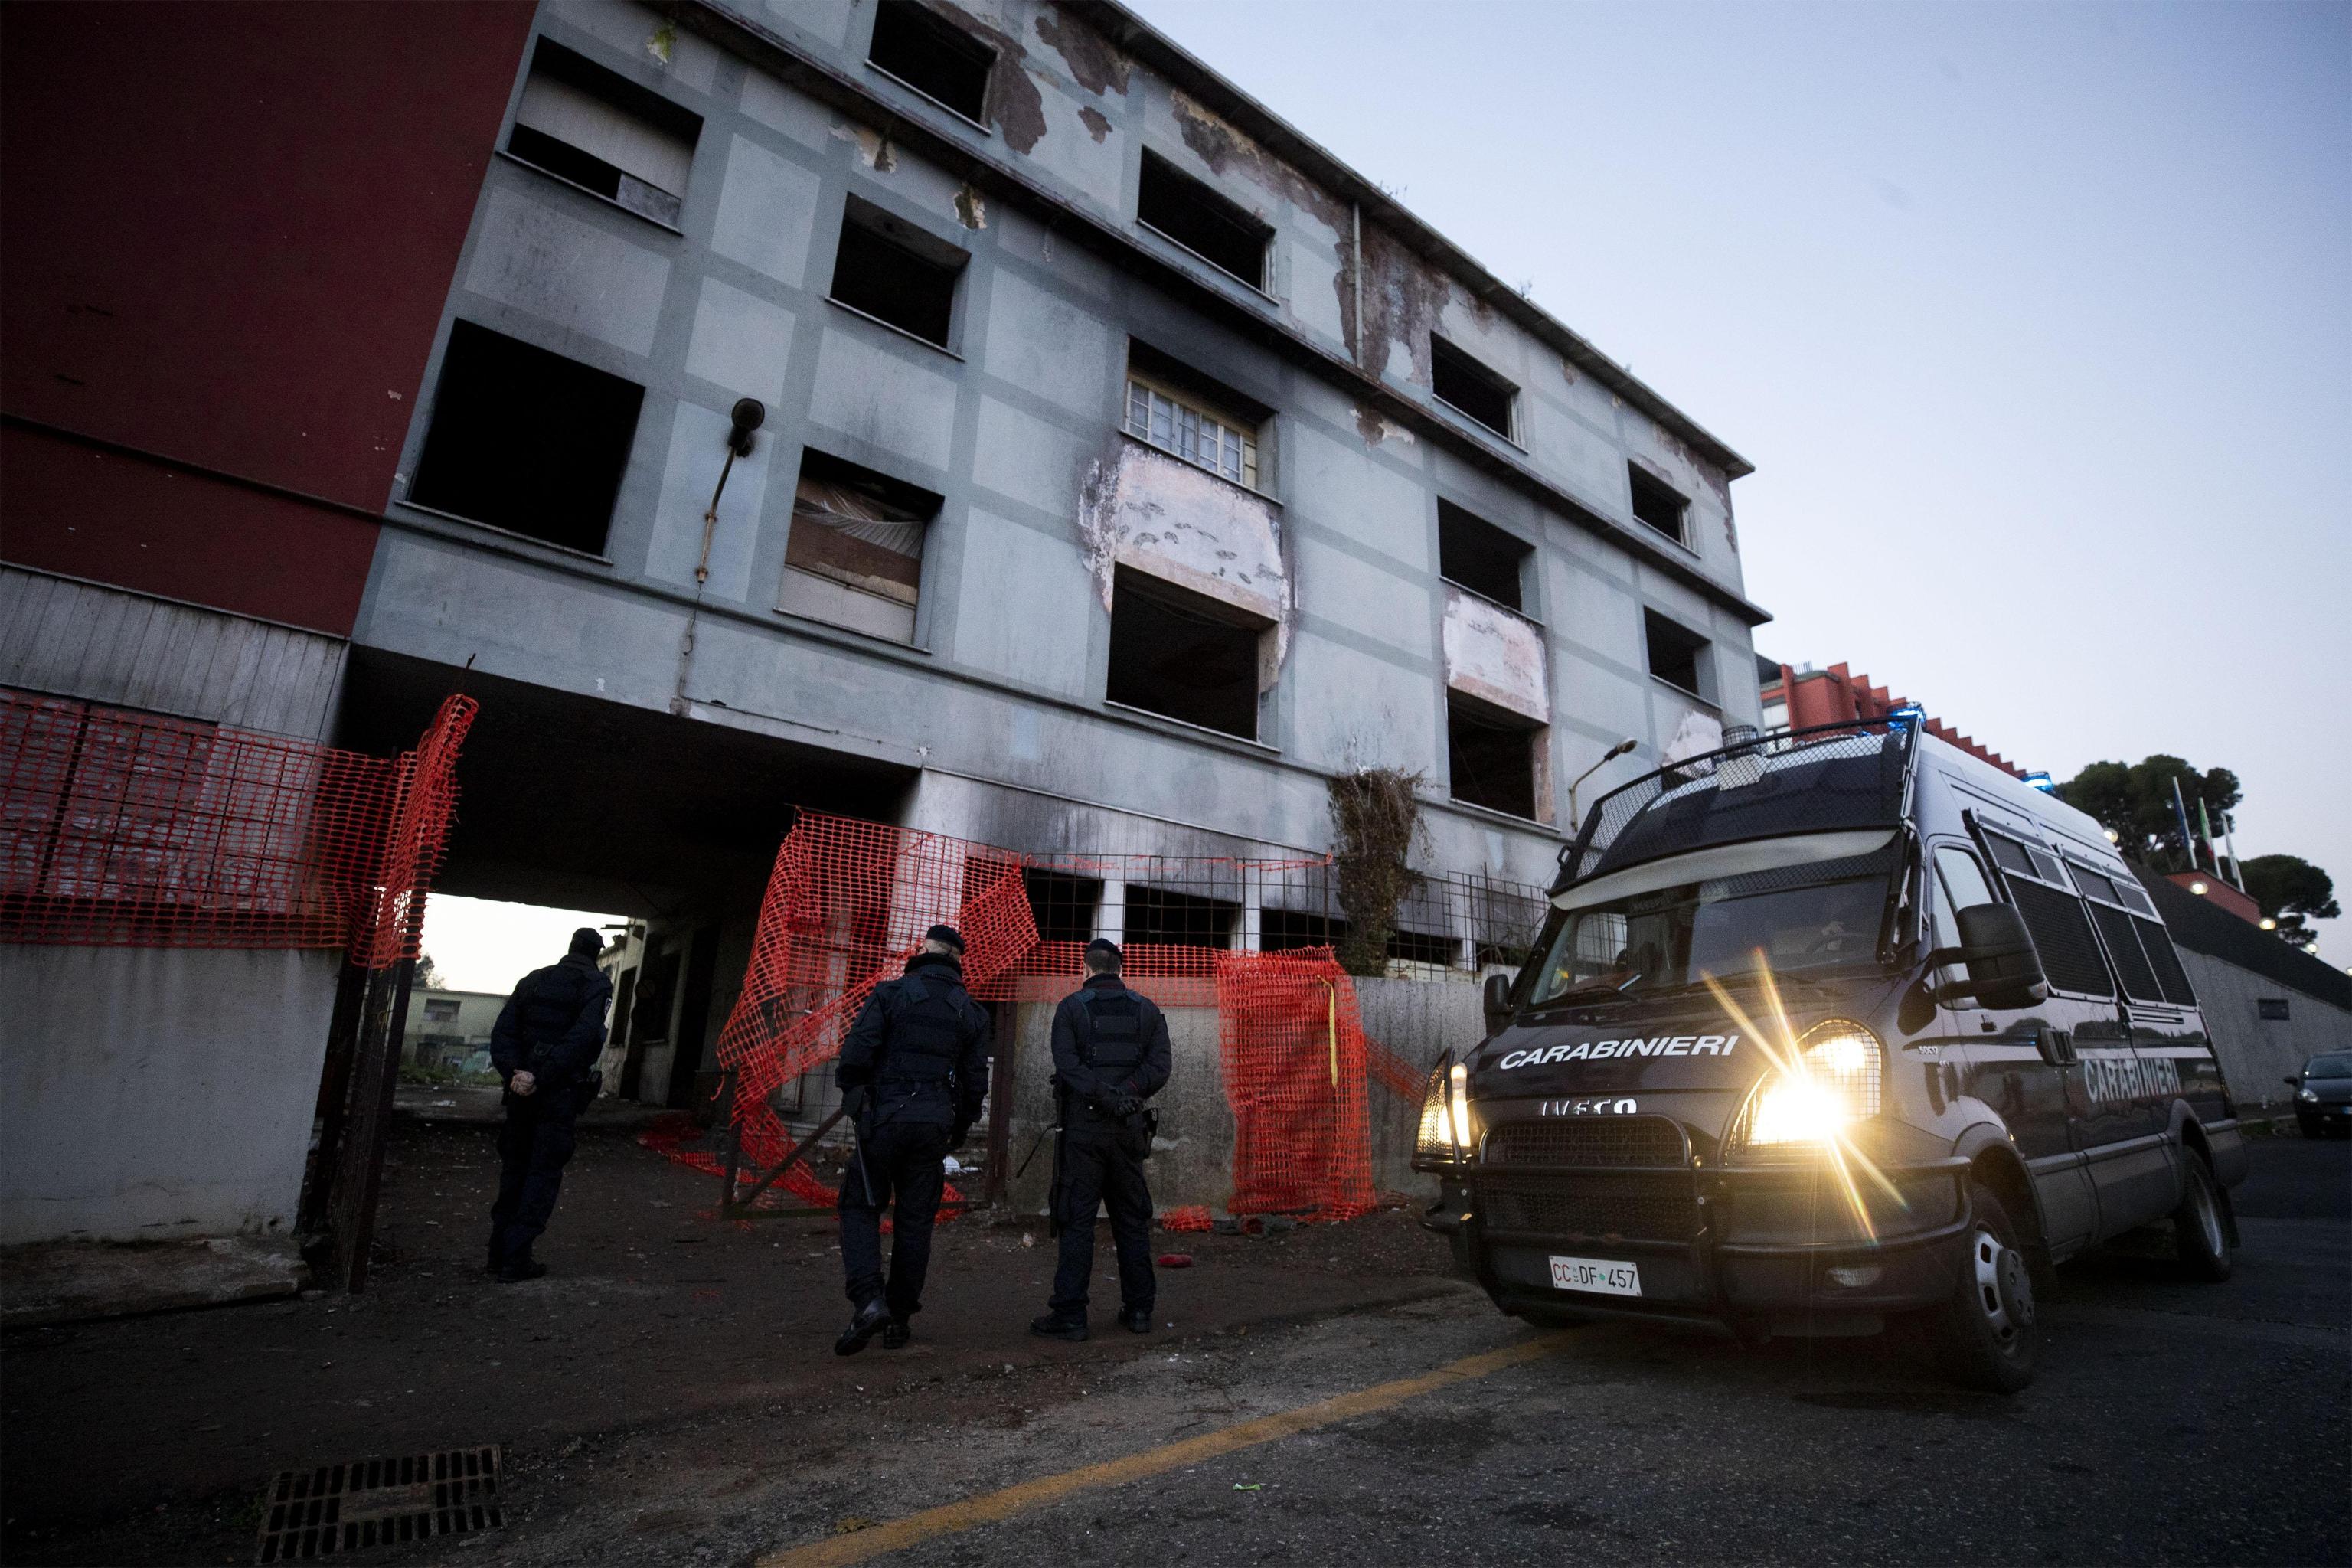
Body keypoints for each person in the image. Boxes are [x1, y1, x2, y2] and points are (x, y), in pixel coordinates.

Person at [832, 923, 991, 1355]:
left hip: (884, 1117)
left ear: (922, 950)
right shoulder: (970, 1010)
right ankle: (898, 1319)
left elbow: (855, 1053)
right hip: (934, 1123)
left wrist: (853, 1089)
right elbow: (977, 1081)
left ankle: (869, 1299)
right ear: (959, 959)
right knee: (916, 1220)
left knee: (860, 1205)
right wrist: (960, 1126)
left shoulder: (890, 994)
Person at [1031, 938, 1171, 1341]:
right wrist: (1126, 1094)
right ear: (1120, 969)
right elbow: (1160, 1066)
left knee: (1077, 1222)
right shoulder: (1147, 1010)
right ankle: (1140, 1310)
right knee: (1131, 1220)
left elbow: (1068, 1065)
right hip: (1128, 1130)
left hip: (1083, 1132)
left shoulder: (1071, 1008)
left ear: (1087, 969)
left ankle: (1071, 1315)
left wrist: (1105, 1096)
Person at [486, 927, 613, 1282]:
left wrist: (517, 1073)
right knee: (542, 1173)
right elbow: (584, 1035)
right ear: (596, 954)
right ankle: (516, 1259)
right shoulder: (596, 984)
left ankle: (498, 1254)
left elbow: (503, 1032)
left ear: (570, 948)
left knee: (514, 1169)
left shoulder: (533, 980)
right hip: (557, 1093)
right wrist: (542, 1076)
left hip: (521, 1092)